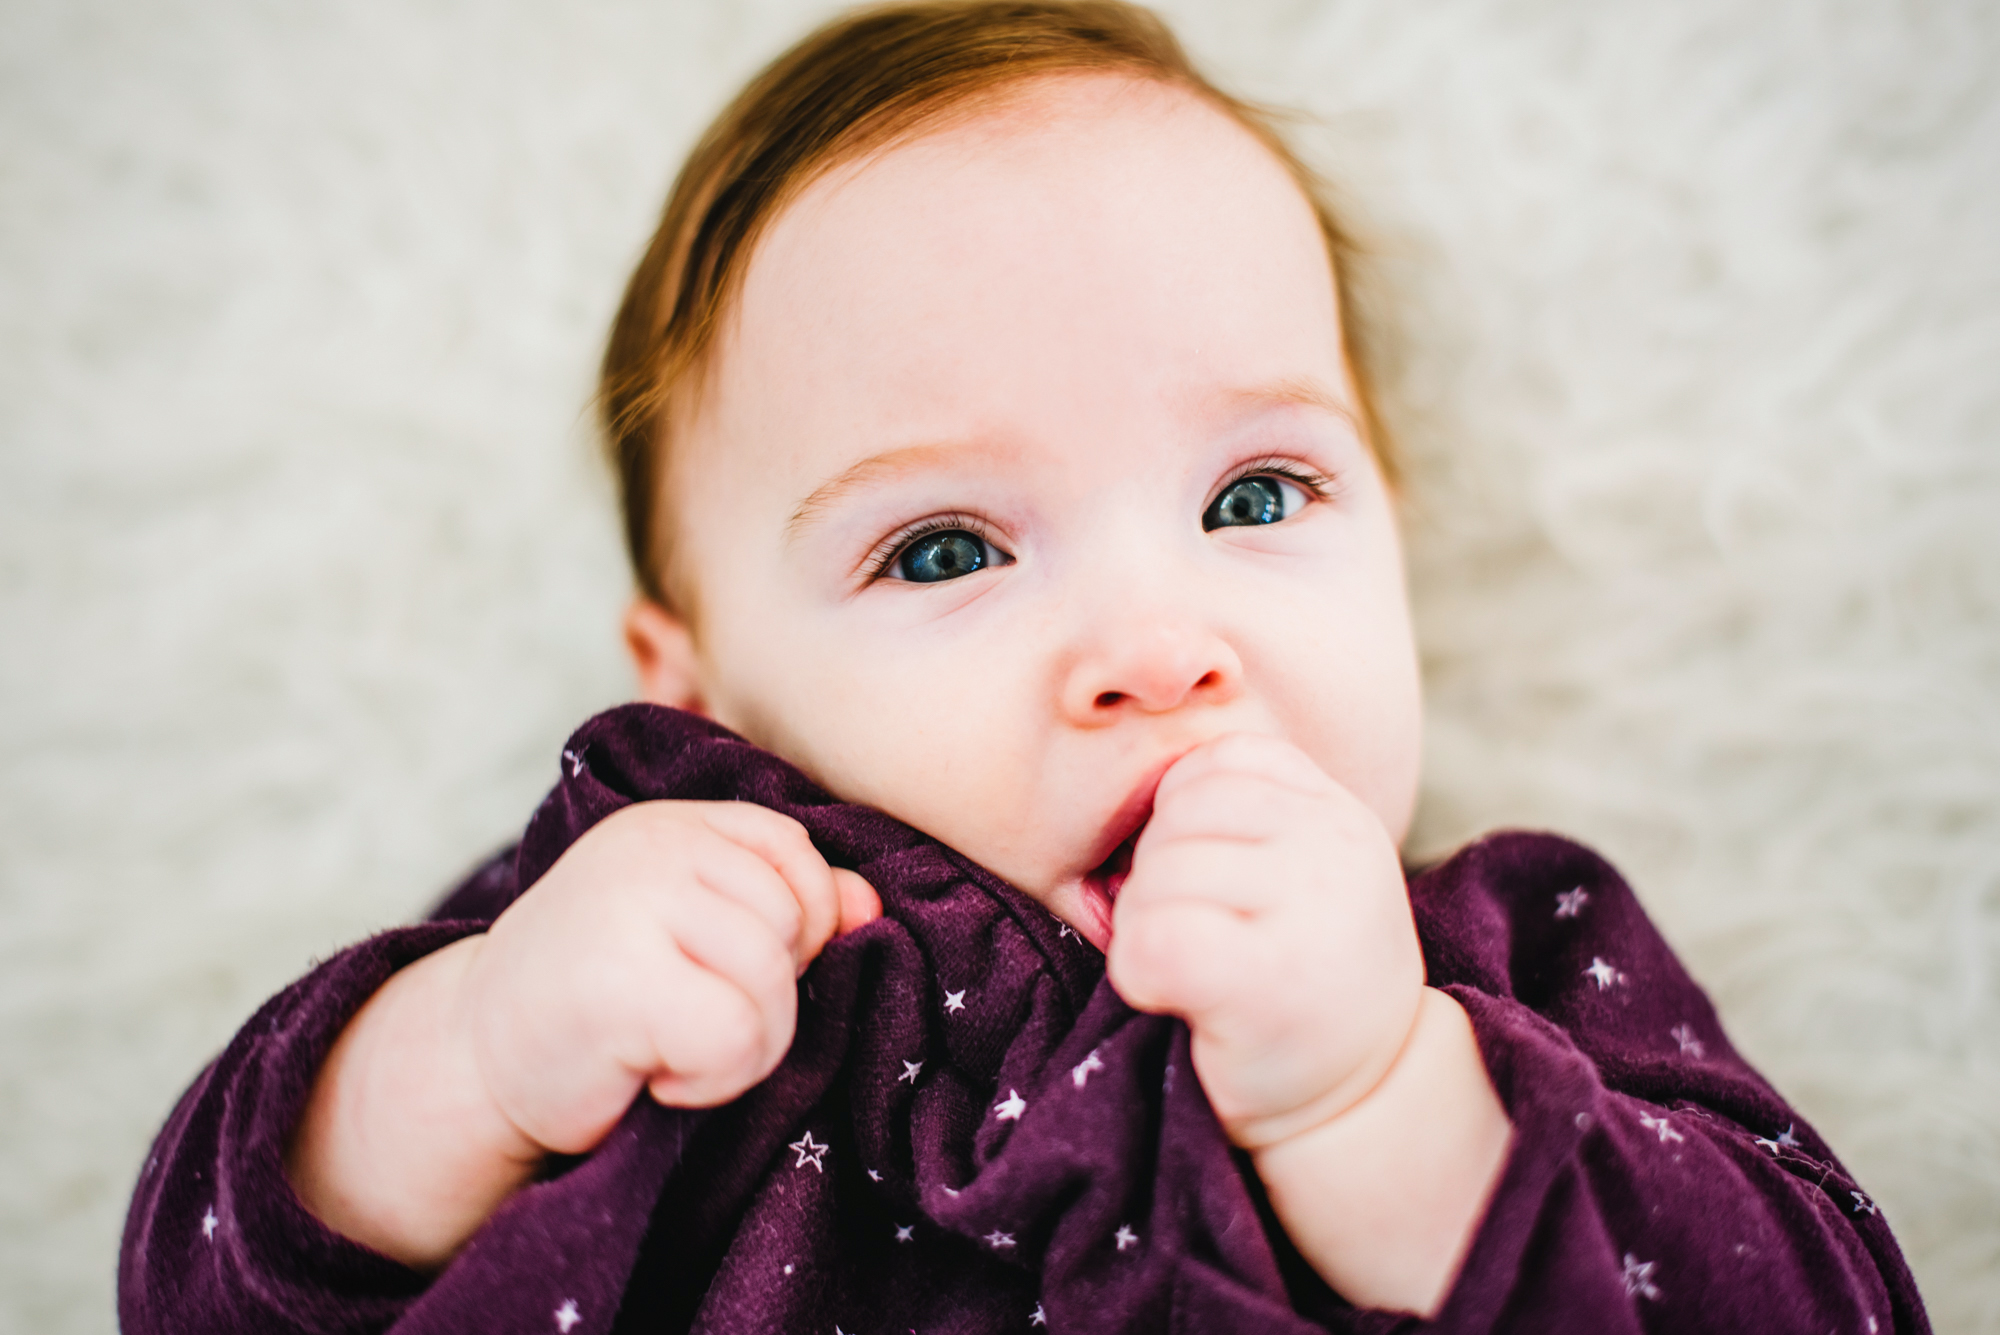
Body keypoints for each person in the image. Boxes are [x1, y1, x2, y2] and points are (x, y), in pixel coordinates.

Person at [118, 3, 1930, 1332]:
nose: (1156, 650)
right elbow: (193, 1292)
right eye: (945, 549)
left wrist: (1387, 1112)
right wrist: (475, 1063)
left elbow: (1837, 1303)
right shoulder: (639, 945)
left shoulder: (1506, 970)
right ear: (702, 700)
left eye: (1255, 492)